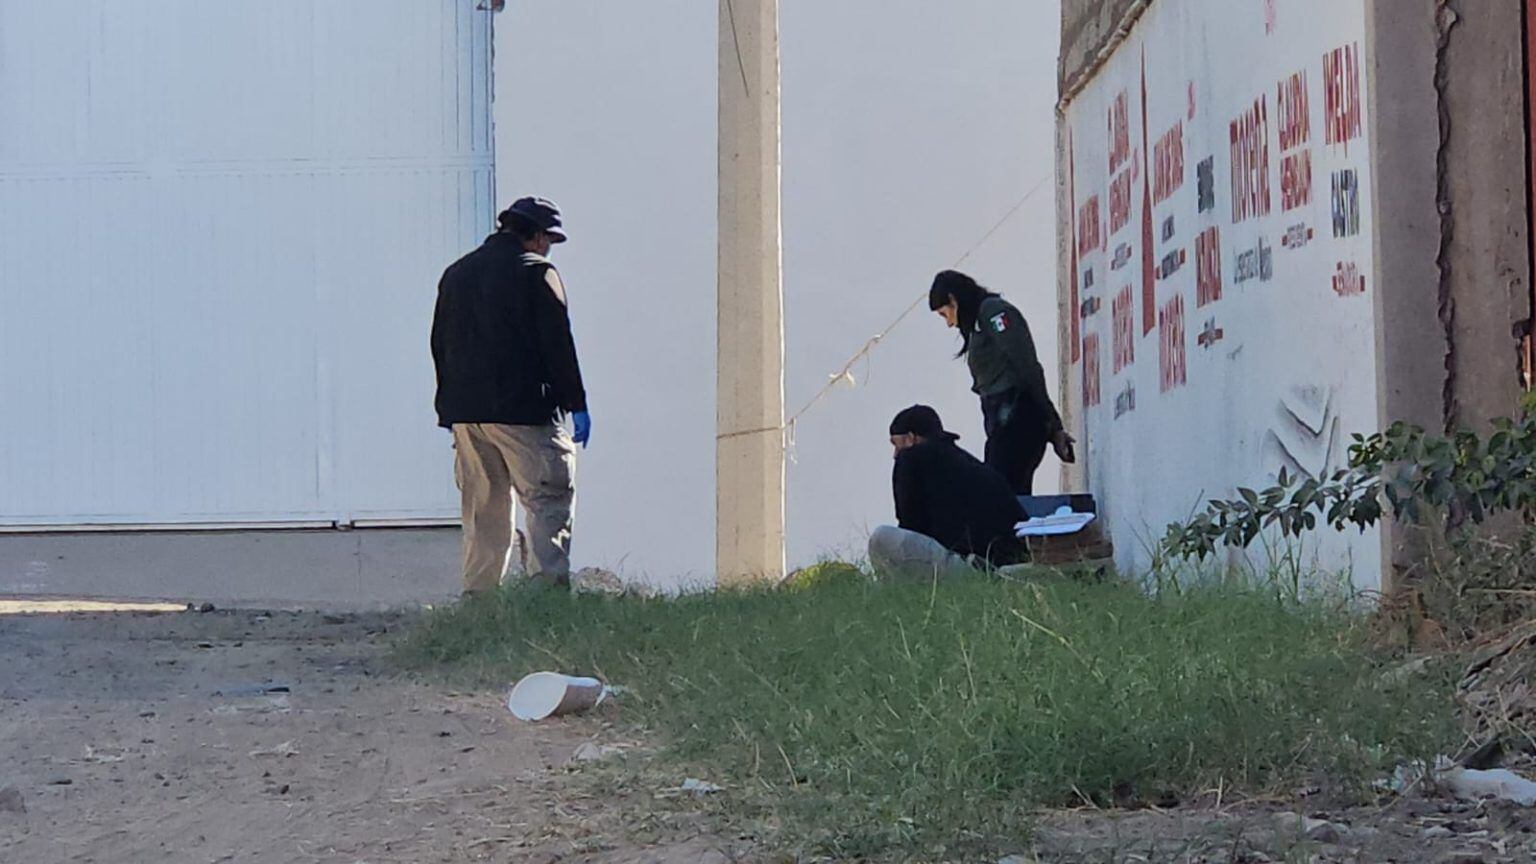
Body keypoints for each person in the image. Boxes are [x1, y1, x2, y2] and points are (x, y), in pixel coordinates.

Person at [431, 196, 592, 595]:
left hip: (467, 414)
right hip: (524, 413)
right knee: (546, 502)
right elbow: (558, 346)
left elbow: (439, 343)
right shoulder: (537, 274)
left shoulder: (457, 273)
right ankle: (546, 604)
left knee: (483, 510)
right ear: (536, 237)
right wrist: (577, 404)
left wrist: (450, 406)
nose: (549, 247)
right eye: (548, 239)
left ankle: (479, 604)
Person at [928, 270, 1074, 496]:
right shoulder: (978, 324)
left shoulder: (993, 312)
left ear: (954, 299)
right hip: (1001, 421)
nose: (948, 323)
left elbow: (1026, 365)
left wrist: (1053, 424)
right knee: (1000, 493)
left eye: (944, 313)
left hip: (1017, 417)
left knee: (1000, 494)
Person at [867, 405, 1027, 578]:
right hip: (1009, 565)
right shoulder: (971, 464)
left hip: (971, 568)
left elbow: (910, 525)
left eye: (896, 444)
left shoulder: (910, 458)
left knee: (881, 538)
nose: (895, 454)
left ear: (911, 439)